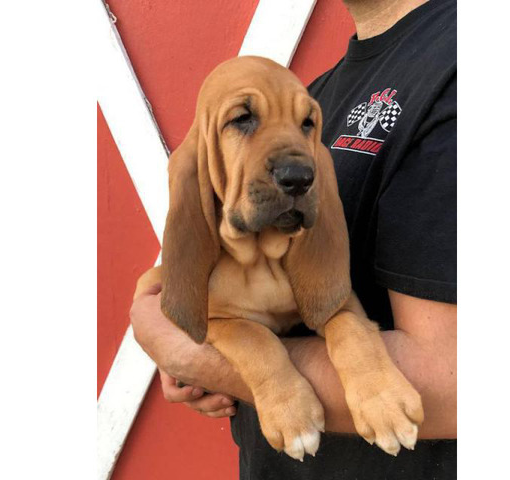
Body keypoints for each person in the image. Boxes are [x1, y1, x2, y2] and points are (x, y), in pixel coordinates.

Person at [130, 0, 457, 478]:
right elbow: (190, 301)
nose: (295, 165)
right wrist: (178, 315)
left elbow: (452, 384)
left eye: (305, 127)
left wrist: (195, 357)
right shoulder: (321, 89)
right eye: (244, 119)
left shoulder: (457, 60)